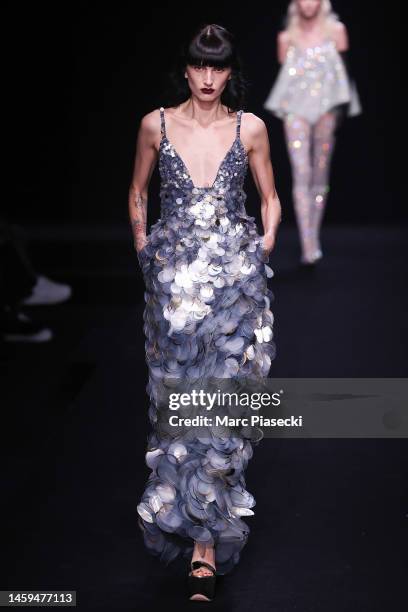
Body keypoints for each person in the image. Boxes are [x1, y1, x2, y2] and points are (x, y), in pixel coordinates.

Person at [128, 23, 281, 601]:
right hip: (173, 290)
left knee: (221, 405)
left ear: (229, 72)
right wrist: (145, 251)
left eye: (218, 68)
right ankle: (194, 524)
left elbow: (269, 198)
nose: (209, 78)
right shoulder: (156, 124)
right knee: (179, 402)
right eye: (199, 67)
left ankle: (204, 549)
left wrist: (260, 253)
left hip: (235, 289)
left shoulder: (251, 128)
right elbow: (138, 191)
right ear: (186, 70)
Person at [264, 0, 361, 265]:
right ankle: (308, 245)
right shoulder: (286, 37)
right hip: (295, 108)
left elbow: (344, 71)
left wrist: (343, 108)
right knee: (301, 172)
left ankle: (313, 235)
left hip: (328, 107)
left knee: (320, 173)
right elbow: (287, 74)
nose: (308, 3)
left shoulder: (336, 31)